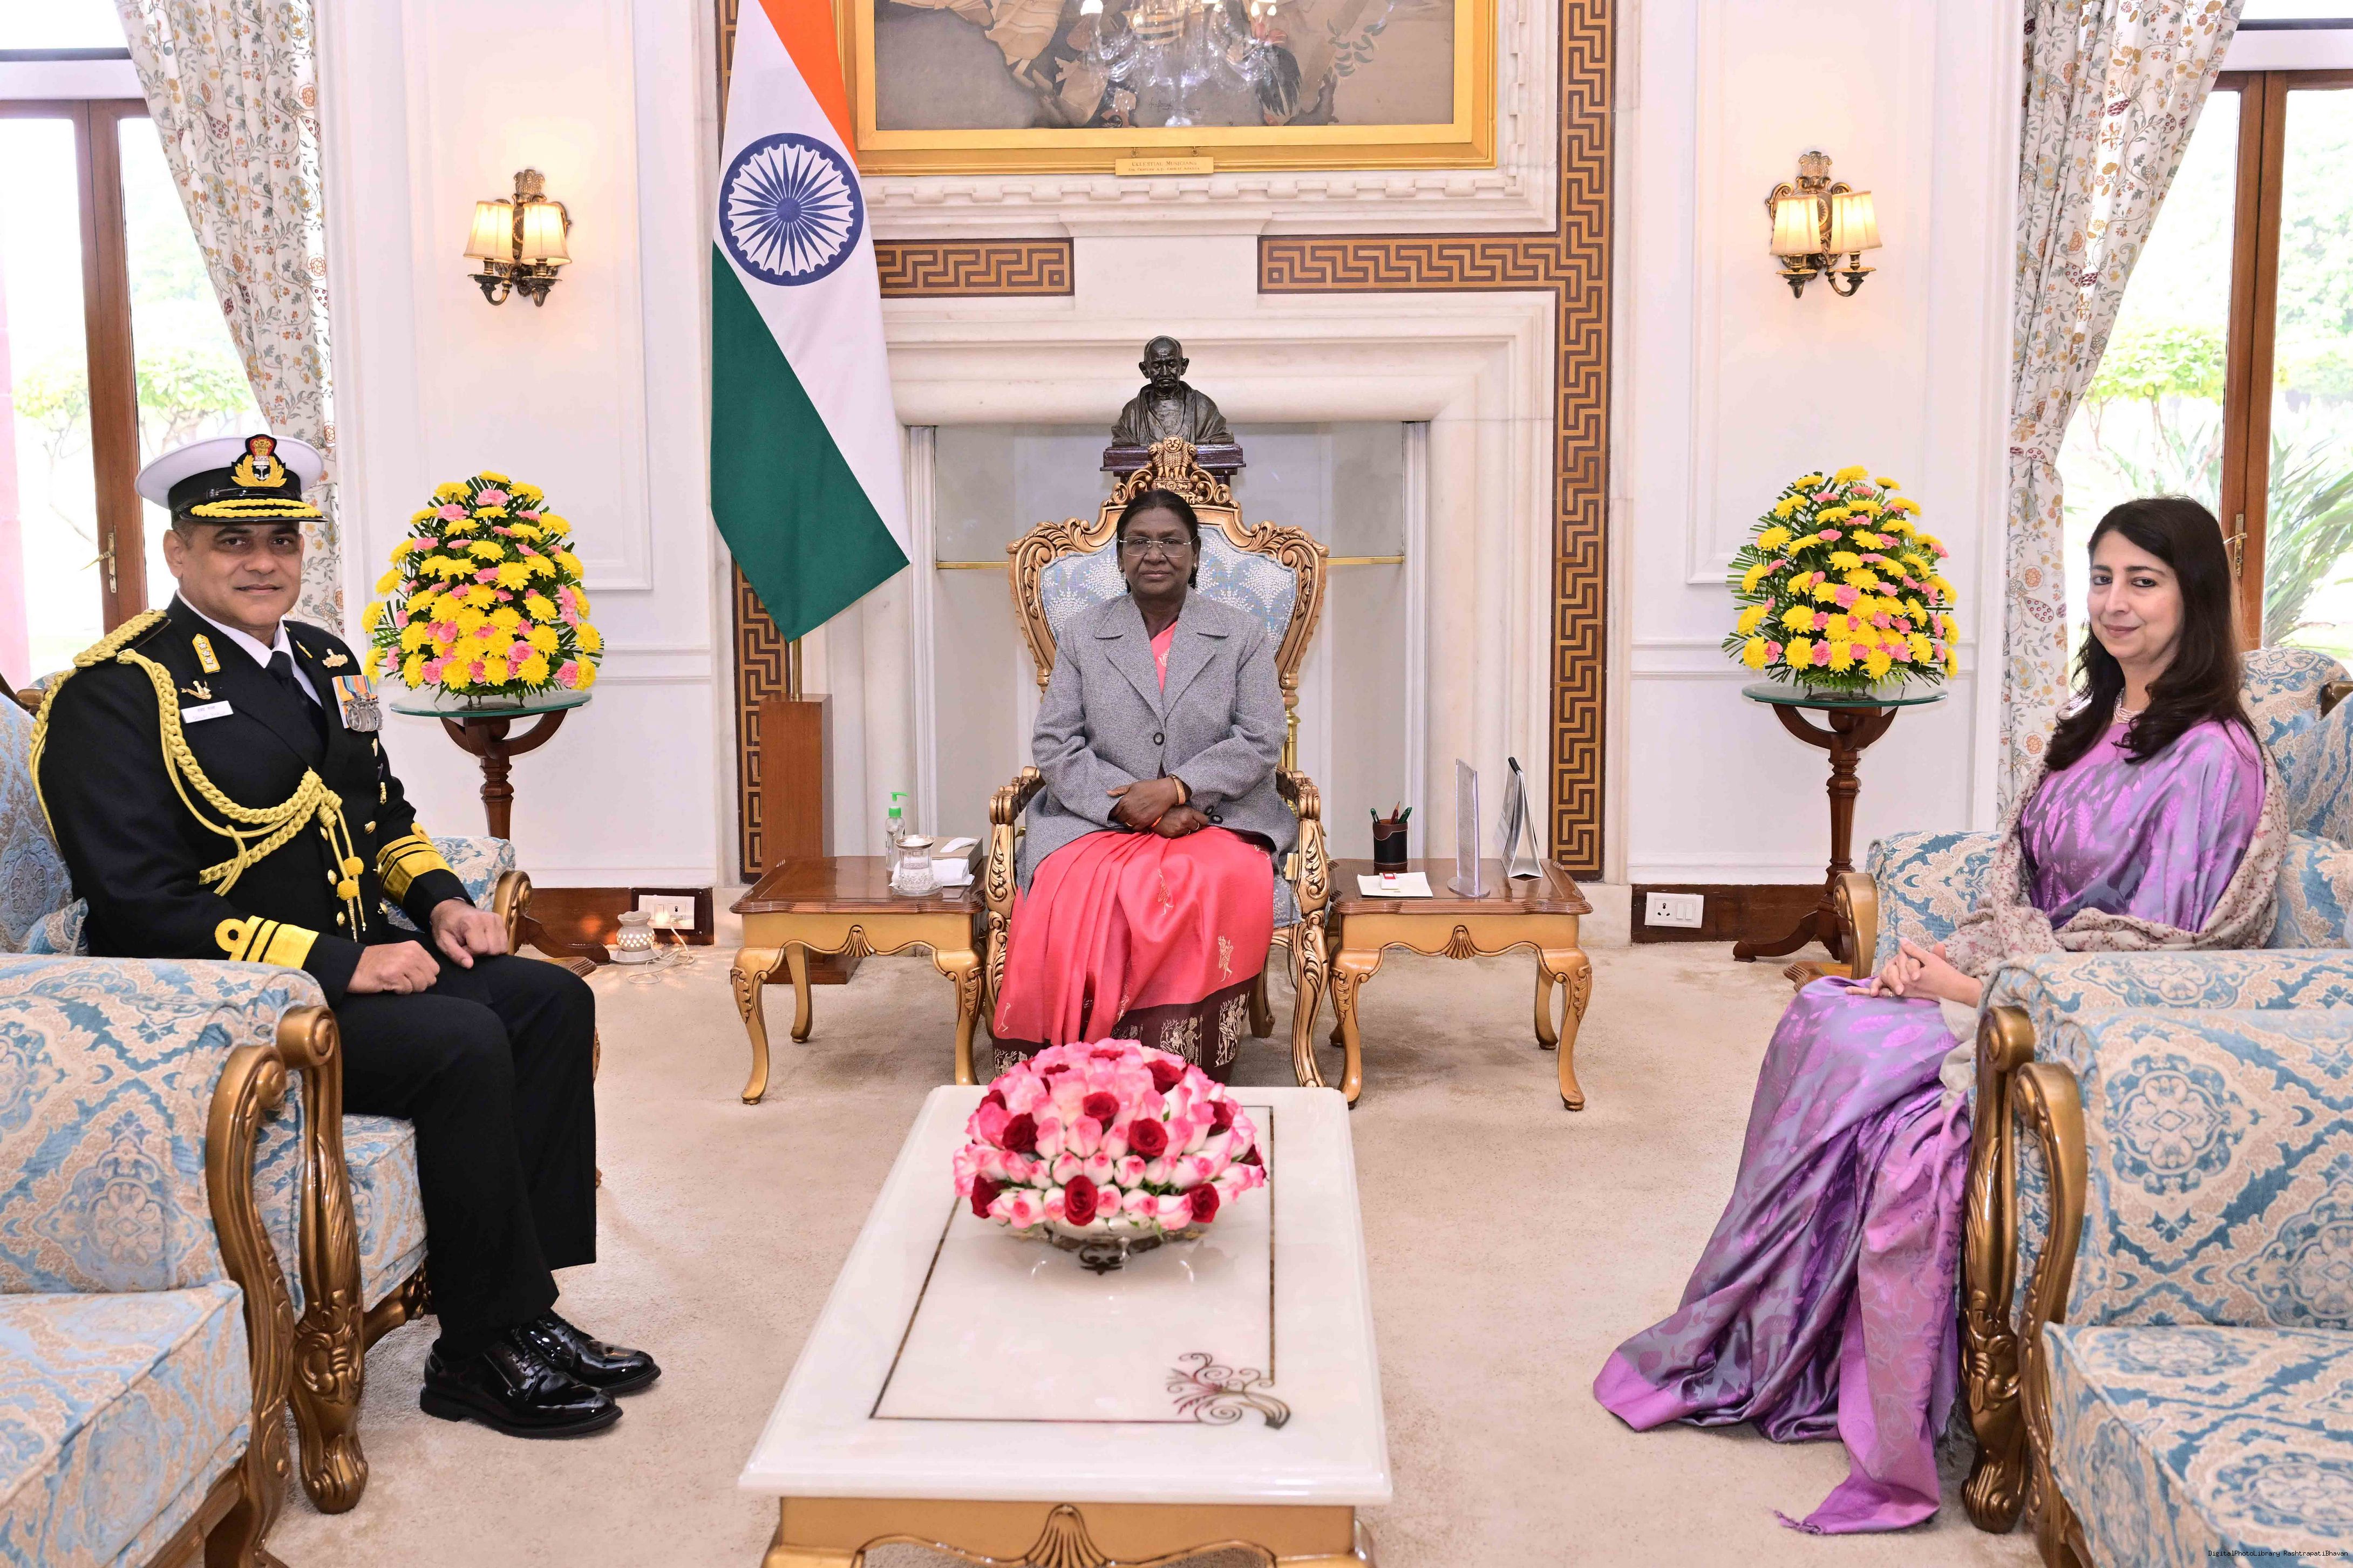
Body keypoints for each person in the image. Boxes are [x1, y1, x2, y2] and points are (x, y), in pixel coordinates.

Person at [1593, 496, 2286, 1532]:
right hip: (2009, 978)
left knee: (1875, 1084)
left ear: (2195, 596)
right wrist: (1951, 955)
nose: (2114, 602)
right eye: (2102, 577)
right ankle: (1759, 1332)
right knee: (1827, 1015)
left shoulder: (2210, 759)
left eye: (2143, 582)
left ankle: (1792, 1354)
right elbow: (2025, 890)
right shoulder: (2097, 726)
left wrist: (1971, 991)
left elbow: (2151, 955)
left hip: (2072, 1029)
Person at [33, 433, 658, 1440]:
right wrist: (341, 962)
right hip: (227, 1000)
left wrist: (443, 901)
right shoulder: (117, 691)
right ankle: (474, 1354)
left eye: (282, 539)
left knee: (550, 999)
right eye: (233, 540)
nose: (263, 561)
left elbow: (380, 815)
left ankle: (523, 1311)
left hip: (359, 960)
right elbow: (139, 904)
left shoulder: (326, 659)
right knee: (461, 1041)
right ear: (177, 551)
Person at [990, 488, 1292, 1080]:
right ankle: (1085, 1061)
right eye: (1140, 542)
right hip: (1095, 816)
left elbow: (1262, 736)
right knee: (1085, 887)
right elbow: (1055, 742)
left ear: (1196, 554)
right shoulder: (1083, 634)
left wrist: (1178, 789)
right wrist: (1138, 806)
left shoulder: (1241, 633)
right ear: (1120, 557)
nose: (1156, 553)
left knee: (1193, 881)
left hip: (1219, 814)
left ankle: (1178, 1058)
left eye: (1171, 541)